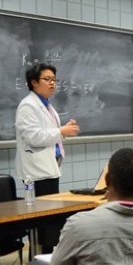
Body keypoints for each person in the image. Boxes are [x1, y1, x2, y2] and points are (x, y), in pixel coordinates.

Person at [15, 62, 80, 197]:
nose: (52, 83)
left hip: (48, 168)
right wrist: (61, 131)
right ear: (34, 82)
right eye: (47, 79)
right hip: (37, 172)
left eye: (54, 80)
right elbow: (33, 138)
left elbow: (49, 134)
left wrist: (65, 131)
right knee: (44, 213)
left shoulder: (45, 104)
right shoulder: (28, 106)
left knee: (51, 210)